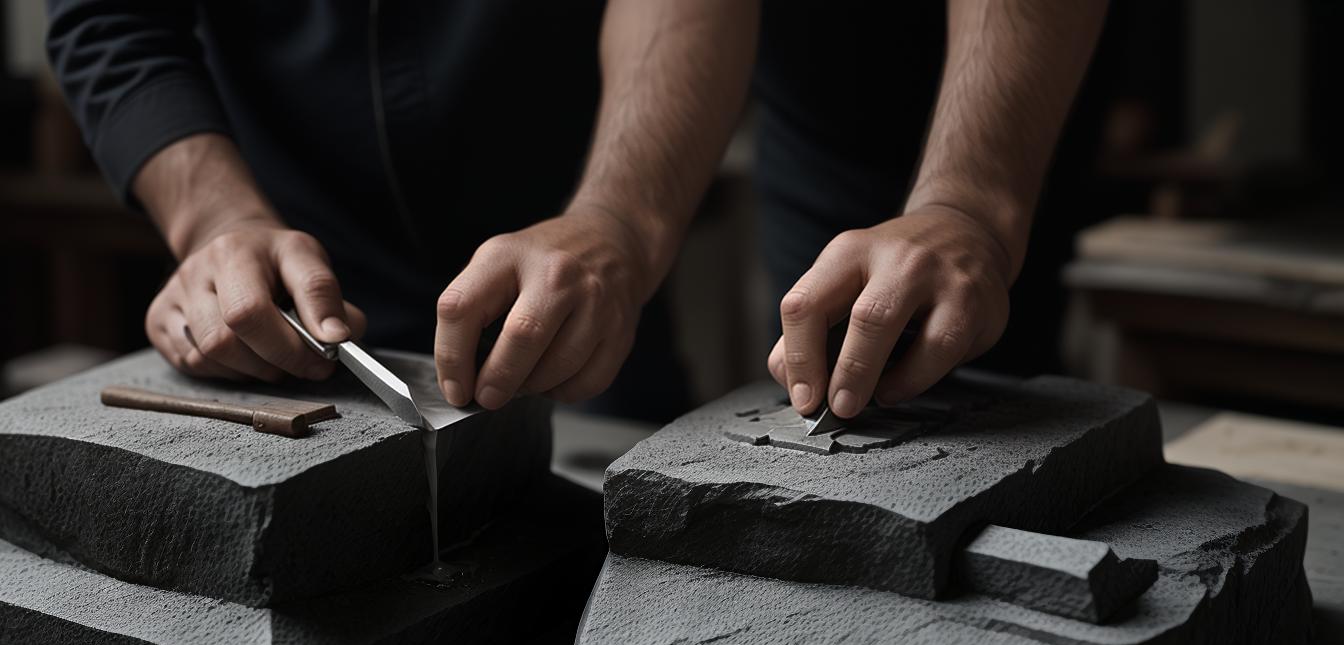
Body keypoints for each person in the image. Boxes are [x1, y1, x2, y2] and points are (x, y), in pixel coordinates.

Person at [45, 0, 755, 418]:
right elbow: (109, 16)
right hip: (290, 304)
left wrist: (620, 224)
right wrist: (215, 223)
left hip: (575, 283)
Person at [755, 0, 1107, 419]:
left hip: (1013, 104)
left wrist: (966, 209)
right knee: (818, 343)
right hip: (813, 140)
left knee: (997, 389)